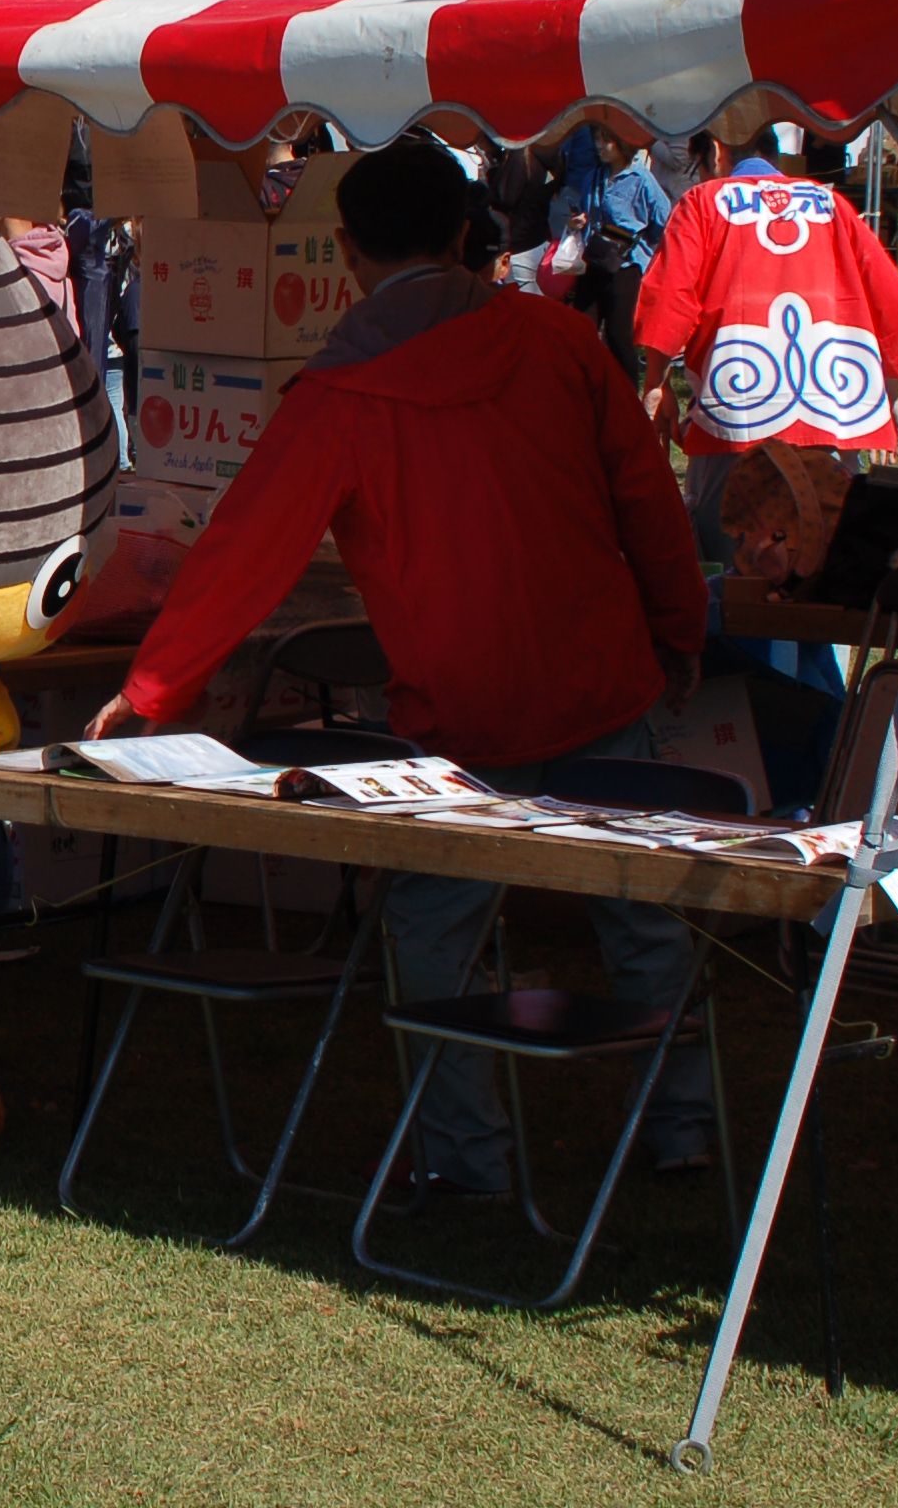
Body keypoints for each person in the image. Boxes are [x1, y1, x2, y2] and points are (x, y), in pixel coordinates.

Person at [90, 137, 713, 1196]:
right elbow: (647, 503)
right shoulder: (556, 340)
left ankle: (468, 1159)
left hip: (457, 715)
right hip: (596, 682)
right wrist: (679, 628)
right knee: (644, 919)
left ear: (344, 247)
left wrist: (150, 691)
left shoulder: (340, 391)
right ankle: (687, 1129)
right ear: (465, 230)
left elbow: (243, 552)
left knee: (432, 941)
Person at [635, 129, 898, 561]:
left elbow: (670, 297)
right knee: (824, 559)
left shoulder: (704, 202)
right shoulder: (831, 203)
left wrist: (656, 382)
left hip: (738, 406)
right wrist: (890, 390)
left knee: (739, 559)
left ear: (717, 152)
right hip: (832, 405)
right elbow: (889, 300)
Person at [548, 122, 671, 384]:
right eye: (597, 139)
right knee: (582, 328)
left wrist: (642, 249)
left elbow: (663, 221)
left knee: (618, 336)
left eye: (607, 140)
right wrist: (576, 223)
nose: (600, 145)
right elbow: (586, 212)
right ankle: (586, 387)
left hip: (626, 268)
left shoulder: (641, 180)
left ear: (623, 142)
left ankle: (627, 393)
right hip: (594, 261)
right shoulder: (592, 177)